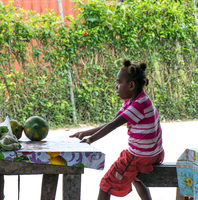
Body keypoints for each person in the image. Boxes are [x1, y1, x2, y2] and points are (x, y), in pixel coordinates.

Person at [70, 58, 164, 200]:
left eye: (119, 82)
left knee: (105, 185)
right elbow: (113, 122)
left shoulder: (139, 105)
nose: (116, 87)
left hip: (140, 156)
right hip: (155, 153)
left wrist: (90, 139)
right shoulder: (135, 100)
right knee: (137, 179)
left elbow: (112, 126)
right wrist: (84, 133)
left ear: (131, 85)